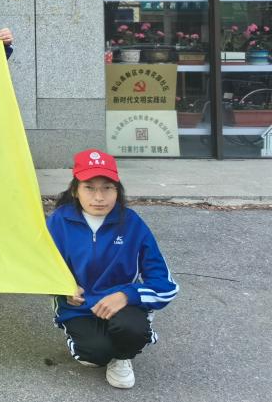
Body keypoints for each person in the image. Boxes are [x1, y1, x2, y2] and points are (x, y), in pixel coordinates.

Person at [47, 149, 178, 389]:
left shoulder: (132, 223)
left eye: (107, 188)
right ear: (75, 190)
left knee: (133, 331)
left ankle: (122, 357)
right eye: (89, 188)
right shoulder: (58, 222)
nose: (99, 197)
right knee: (94, 354)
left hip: (121, 305)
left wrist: (127, 295)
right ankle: (96, 348)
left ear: (118, 190)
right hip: (78, 307)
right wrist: (62, 287)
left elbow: (165, 285)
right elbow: (39, 267)